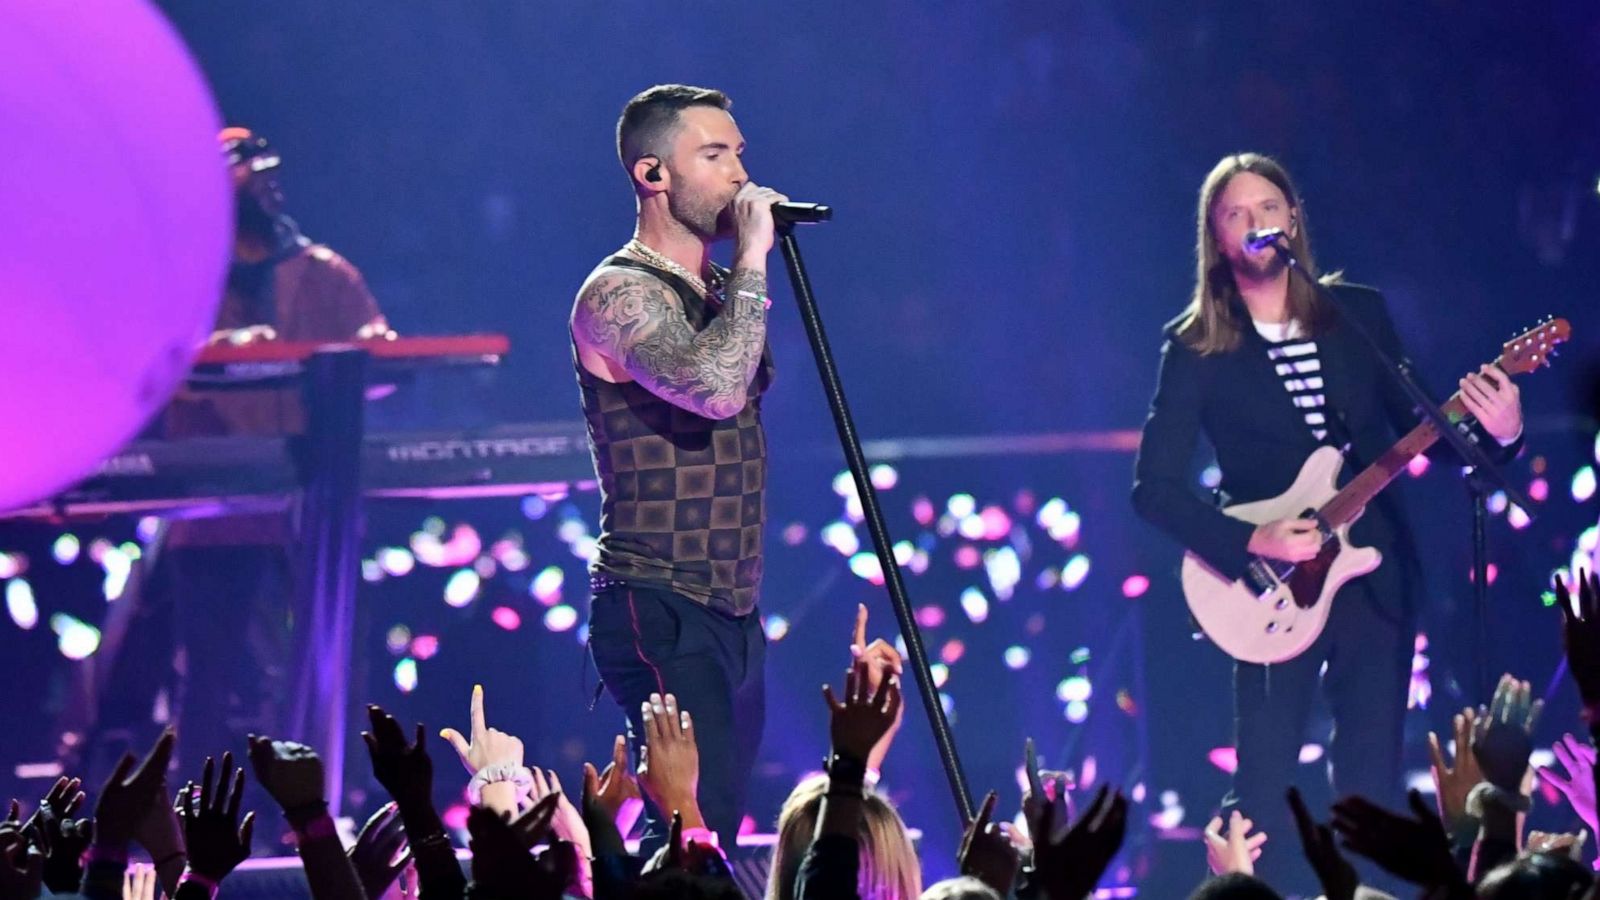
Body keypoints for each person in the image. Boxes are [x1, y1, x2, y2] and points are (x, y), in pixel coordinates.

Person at [1130, 152, 1524, 890]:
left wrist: (1499, 432)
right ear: (1215, 238)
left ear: (1294, 221)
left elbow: (1425, 427)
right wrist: (1253, 539)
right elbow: (1153, 489)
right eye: (1237, 213)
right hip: (1269, 586)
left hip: (1372, 572)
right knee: (1264, 785)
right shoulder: (1195, 347)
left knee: (1370, 778)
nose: (1257, 223)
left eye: (1269, 208)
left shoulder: (1358, 314)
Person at [96, 127, 388, 782]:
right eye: (251, 169)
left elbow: (377, 343)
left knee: (327, 661)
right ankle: (207, 805)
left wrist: (373, 342)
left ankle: (331, 800)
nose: (269, 179)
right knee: (212, 673)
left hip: (309, 503)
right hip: (215, 507)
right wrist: (225, 347)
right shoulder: (185, 277)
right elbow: (148, 363)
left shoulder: (321, 271)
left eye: (269, 166)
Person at [569, 83, 787, 845]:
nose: (739, 175)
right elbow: (716, 390)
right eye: (715, 154)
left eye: (740, 154)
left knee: (710, 833)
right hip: (657, 602)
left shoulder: (723, 291)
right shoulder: (616, 294)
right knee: (698, 827)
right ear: (654, 175)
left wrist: (745, 276)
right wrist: (757, 257)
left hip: (732, 612)